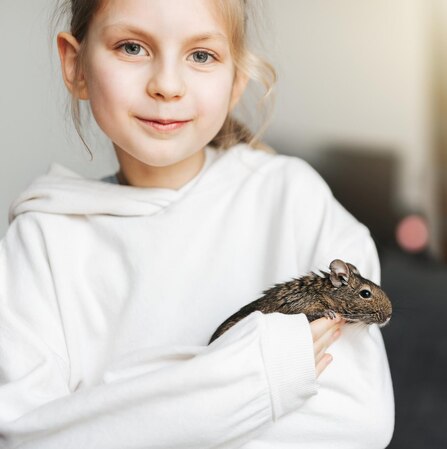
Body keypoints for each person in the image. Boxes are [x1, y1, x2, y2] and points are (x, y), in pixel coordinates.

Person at [0, 0, 394, 448]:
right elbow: (23, 438)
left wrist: (113, 402)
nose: (167, 85)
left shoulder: (293, 198)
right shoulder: (42, 240)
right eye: (132, 47)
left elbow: (358, 423)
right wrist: (266, 372)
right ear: (76, 66)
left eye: (201, 55)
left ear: (235, 81)